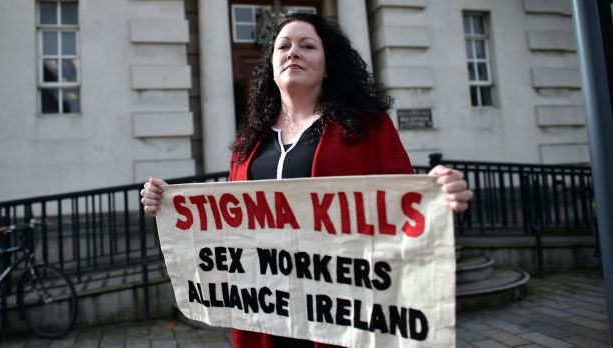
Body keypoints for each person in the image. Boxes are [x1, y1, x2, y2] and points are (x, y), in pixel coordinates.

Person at [141, 12, 472, 348]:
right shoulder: (247, 143)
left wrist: (438, 195)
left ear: (327, 65)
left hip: (343, 313)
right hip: (268, 313)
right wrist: (169, 203)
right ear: (271, 67)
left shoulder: (367, 127)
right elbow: (230, 225)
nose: (293, 52)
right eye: (283, 46)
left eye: (307, 45)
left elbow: (400, 201)